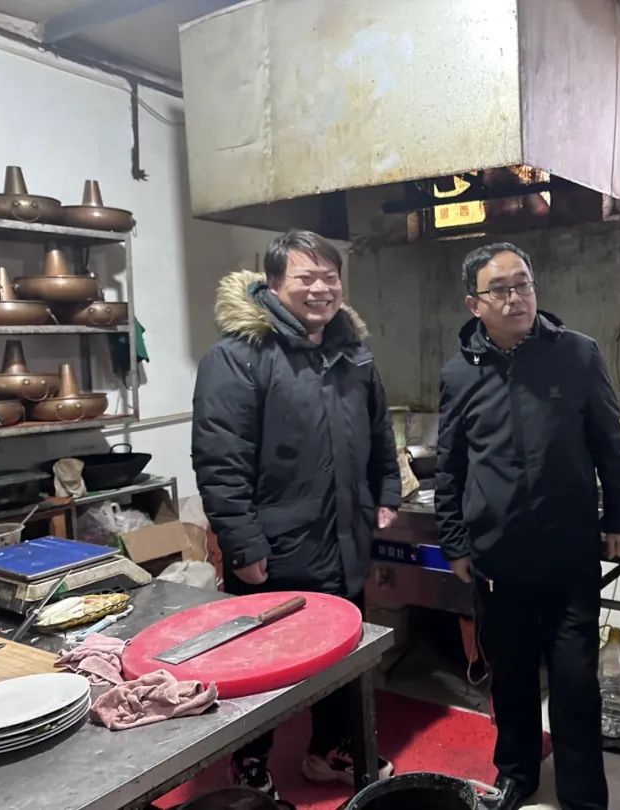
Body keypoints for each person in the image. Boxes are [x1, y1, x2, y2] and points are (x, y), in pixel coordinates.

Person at [192, 230, 401, 799]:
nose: (320, 289)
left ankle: (328, 749)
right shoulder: (238, 357)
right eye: (305, 278)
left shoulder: (353, 353)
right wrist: (243, 544)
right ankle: (249, 765)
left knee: (340, 653)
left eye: (330, 277)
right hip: (277, 548)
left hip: (345, 538)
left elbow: (380, 431)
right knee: (261, 663)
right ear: (273, 283)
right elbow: (220, 460)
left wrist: (386, 490)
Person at [435, 243, 620, 810]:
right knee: (512, 679)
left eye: (522, 284)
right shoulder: (459, 373)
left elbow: (609, 442)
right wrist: (455, 541)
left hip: (569, 554)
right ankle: (516, 774)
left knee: (575, 683)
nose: (515, 298)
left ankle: (583, 796)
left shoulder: (576, 354)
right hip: (498, 560)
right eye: (500, 289)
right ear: (474, 303)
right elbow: (450, 466)